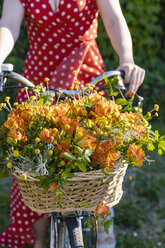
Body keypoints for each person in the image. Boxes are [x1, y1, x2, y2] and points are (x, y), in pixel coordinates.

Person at [0, 0, 145, 247]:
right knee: (32, 163)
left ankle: (103, 235)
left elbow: (113, 19)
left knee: (98, 160)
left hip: (85, 76)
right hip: (39, 79)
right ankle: (38, 241)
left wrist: (127, 59)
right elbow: (9, 24)